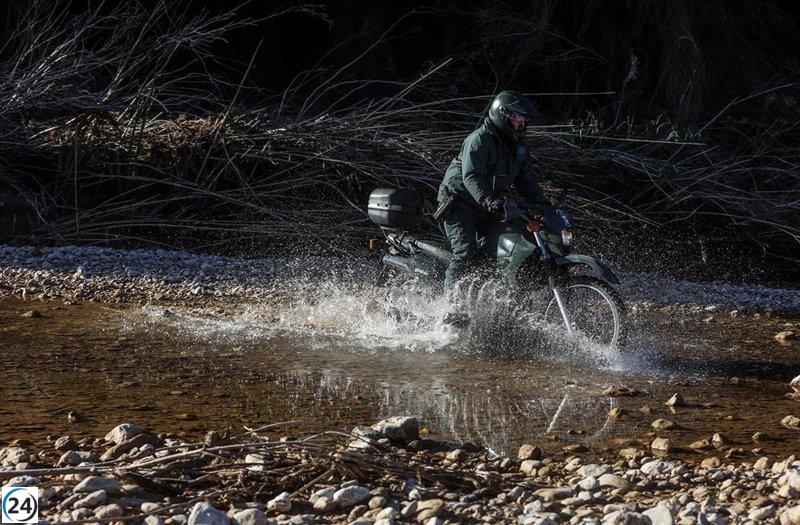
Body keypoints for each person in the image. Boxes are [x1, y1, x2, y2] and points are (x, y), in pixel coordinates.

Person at [436, 90, 552, 292]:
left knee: (499, 252)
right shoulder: (479, 139)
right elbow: (471, 176)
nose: (522, 124)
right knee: (465, 252)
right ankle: (450, 305)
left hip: (490, 205)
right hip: (460, 202)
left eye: (525, 119)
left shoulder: (518, 145)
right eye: (518, 118)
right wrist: (490, 200)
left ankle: (485, 301)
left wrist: (544, 205)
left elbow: (525, 180)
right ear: (503, 114)